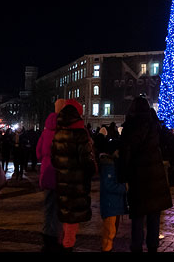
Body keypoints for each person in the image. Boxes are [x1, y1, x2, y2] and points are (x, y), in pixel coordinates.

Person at [117, 97, 172, 253]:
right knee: (154, 215)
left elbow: (125, 153)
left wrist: (122, 176)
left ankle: (136, 247)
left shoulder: (130, 126)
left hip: (138, 177)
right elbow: (166, 143)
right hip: (155, 176)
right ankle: (153, 246)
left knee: (138, 216)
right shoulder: (155, 125)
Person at [51, 100, 96, 252]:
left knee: (65, 217)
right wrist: (91, 172)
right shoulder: (80, 133)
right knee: (72, 221)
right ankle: (67, 247)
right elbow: (87, 161)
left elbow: (54, 159)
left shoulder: (58, 133)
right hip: (77, 183)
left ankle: (64, 244)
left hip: (63, 182)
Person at [35, 98, 67, 252]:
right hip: (62, 174)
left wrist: (46, 160)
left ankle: (47, 239)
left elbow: (38, 152)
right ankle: (58, 239)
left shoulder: (46, 130)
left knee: (48, 208)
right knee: (61, 209)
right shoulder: (66, 129)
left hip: (47, 173)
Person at [99, 138, 128, 252]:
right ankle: (106, 249)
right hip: (110, 204)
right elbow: (109, 185)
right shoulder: (109, 166)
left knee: (112, 230)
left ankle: (108, 247)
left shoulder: (111, 164)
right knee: (109, 231)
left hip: (113, 204)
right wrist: (124, 188)